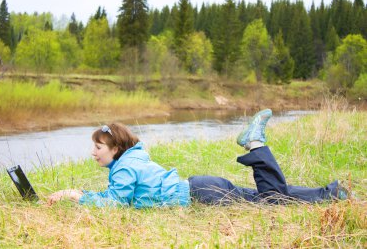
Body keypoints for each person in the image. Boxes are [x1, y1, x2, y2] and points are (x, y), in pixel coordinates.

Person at [47, 109, 349, 207]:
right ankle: (330, 194)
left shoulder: (124, 169)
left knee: (268, 202)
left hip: (203, 193)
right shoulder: (132, 161)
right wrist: (86, 193)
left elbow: (115, 203)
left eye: (98, 148)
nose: (92, 153)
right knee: (266, 198)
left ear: (115, 149)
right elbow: (116, 195)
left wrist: (77, 196)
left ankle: (256, 144)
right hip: (203, 186)